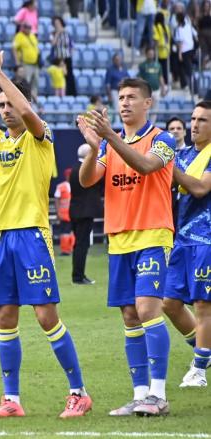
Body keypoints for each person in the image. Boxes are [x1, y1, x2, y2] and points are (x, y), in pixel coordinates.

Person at [0, 40, 91, 418]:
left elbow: (29, 111)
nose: (5, 110)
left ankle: (78, 392)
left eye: (9, 104)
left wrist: (0, 72)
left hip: (31, 234)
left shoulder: (40, 137)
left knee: (47, 316)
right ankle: (11, 399)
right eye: (0, 106)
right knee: (6, 319)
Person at [78, 77, 176, 416]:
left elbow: (146, 165)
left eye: (132, 97)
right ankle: (140, 394)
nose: (124, 102)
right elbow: (87, 180)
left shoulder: (163, 140)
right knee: (130, 315)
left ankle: (159, 395)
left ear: (148, 103)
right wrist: (93, 148)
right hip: (119, 238)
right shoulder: (108, 144)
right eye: (120, 97)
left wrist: (107, 138)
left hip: (152, 234)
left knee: (148, 308)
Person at [162, 100, 211, 388]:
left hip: (206, 240)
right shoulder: (183, 156)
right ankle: (204, 349)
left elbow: (200, 187)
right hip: (182, 240)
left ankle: (199, 369)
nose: (194, 124)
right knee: (169, 303)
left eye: (202, 120)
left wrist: (167, 168)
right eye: (193, 118)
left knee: (204, 305)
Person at [70, 143, 102, 285]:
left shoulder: (74, 168)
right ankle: (78, 276)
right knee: (82, 245)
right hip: (84, 211)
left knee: (80, 244)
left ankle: (78, 275)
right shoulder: (84, 168)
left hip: (77, 210)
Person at [138, 47, 167, 123]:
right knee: (146, 108)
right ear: (146, 54)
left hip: (156, 90)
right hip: (147, 91)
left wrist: (163, 88)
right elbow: (140, 78)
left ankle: (152, 124)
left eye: (152, 54)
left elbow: (160, 77)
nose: (151, 55)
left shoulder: (158, 65)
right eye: (149, 54)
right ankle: (145, 124)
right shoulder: (142, 65)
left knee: (155, 109)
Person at [12, 22, 40, 101]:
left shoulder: (32, 36)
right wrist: (17, 62)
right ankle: (26, 98)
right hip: (25, 63)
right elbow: (14, 48)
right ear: (23, 28)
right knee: (26, 82)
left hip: (35, 63)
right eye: (26, 27)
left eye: (29, 27)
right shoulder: (19, 36)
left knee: (35, 82)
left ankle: (34, 100)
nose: (28, 29)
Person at [54, 168, 74, 256]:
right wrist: (58, 212)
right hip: (64, 214)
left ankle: (72, 248)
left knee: (72, 232)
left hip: (74, 214)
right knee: (65, 233)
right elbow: (56, 199)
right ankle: (65, 250)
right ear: (66, 176)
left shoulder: (76, 185)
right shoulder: (61, 186)